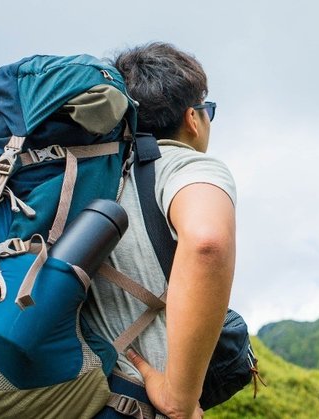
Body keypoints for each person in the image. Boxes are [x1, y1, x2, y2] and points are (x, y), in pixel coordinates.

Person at [83, 42, 236, 419]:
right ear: (193, 118)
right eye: (208, 110)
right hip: (134, 405)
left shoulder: (87, 175)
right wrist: (180, 400)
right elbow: (207, 242)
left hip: (64, 397)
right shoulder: (187, 166)